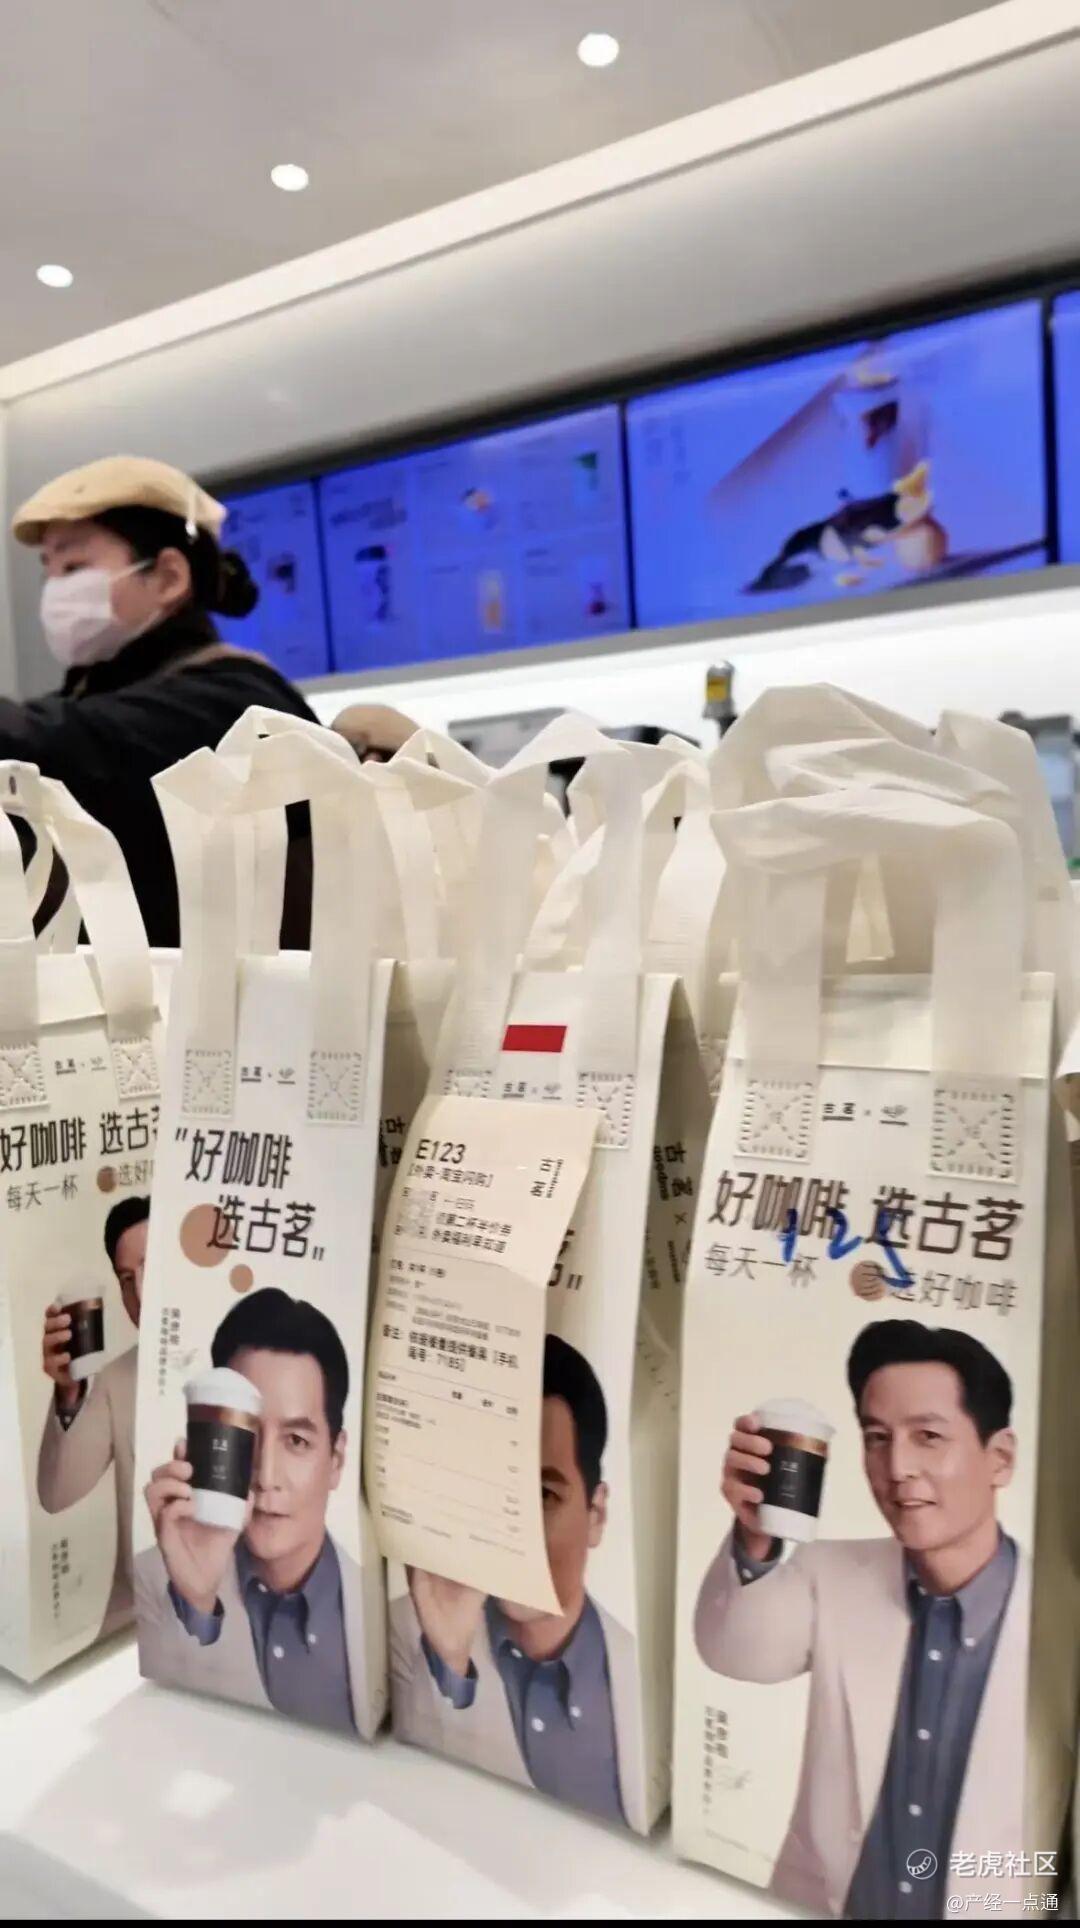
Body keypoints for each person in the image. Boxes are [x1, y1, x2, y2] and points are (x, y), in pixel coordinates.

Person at [694, 1321, 1026, 1920]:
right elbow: (733, 1652)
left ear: (999, 1458)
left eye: (928, 1436)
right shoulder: (830, 1572)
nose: (897, 1466)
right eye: (877, 1438)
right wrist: (755, 1533)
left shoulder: (1054, 1617)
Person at [8, 455, 316, 944]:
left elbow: (65, 745)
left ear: (169, 576)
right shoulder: (101, 693)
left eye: (75, 566)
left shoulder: (237, 702)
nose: (55, 592)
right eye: (51, 572)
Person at [391, 1334, 638, 1827]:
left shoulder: (639, 1676)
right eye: (496, 1490)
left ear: (596, 1514)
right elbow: (411, 1790)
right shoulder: (405, 1632)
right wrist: (449, 1659)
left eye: (544, 1496)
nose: (512, 1531)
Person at [137, 1287, 376, 1738]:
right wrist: (196, 1600)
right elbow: (166, 1728)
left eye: (297, 1441)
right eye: (245, 1435)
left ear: (337, 1459)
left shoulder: (376, 1609)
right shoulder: (153, 1581)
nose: (265, 1476)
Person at [37, 1195, 149, 1633]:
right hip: (133, 1624)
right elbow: (57, 1494)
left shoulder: (253, 1364)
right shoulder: (117, 1379)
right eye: (126, 1279)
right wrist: (68, 1391)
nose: (140, 1293)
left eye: (151, 1266)